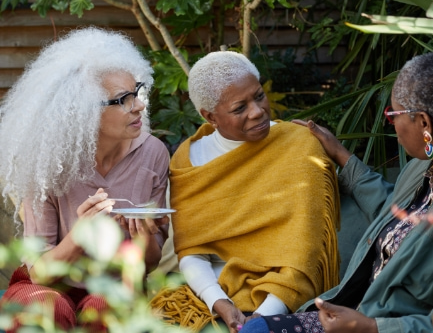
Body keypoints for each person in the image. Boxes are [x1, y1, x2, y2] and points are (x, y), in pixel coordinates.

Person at [240, 50, 433, 333]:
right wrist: (339, 154)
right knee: (256, 329)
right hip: (356, 311)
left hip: (380, 325)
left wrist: (372, 327)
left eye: (392, 115)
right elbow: (397, 217)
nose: (392, 124)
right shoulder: (423, 169)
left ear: (424, 123)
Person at [149, 51, 341, 332]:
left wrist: (264, 317)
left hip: (288, 293)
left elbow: (306, 251)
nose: (257, 111)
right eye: (240, 108)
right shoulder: (188, 160)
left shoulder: (300, 146)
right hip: (209, 296)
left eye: (259, 96)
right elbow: (192, 251)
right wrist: (220, 302)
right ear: (210, 116)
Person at [0, 27, 170, 332]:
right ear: (82, 112)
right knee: (43, 307)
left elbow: (148, 265)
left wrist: (144, 238)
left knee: (107, 307)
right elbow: (40, 273)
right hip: (50, 284)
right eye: (122, 100)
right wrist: (80, 236)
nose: (139, 106)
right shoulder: (49, 161)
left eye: (137, 91)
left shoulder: (153, 154)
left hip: (117, 285)